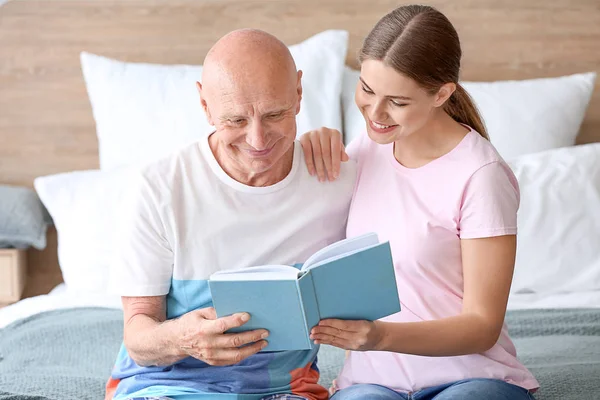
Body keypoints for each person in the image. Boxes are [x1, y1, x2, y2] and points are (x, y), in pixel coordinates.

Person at [300, 5, 539, 400]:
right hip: (371, 384)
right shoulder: (363, 151)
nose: (375, 113)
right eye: (367, 89)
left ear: (442, 93)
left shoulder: (481, 175)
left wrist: (380, 336)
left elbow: (482, 324)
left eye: (397, 101)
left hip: (471, 379)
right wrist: (307, 151)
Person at [104, 29, 357, 400]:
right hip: (165, 387)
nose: (258, 141)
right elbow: (138, 338)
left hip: (286, 391)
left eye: (275, 114)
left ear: (299, 93)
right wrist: (183, 338)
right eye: (236, 121)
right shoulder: (160, 187)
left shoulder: (337, 175)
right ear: (205, 105)